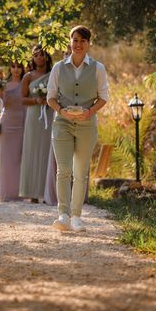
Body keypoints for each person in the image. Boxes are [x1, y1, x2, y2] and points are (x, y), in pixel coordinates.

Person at [46, 25, 109, 232]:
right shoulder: (58, 67)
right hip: (62, 123)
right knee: (63, 171)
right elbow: (51, 98)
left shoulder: (98, 68)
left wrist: (89, 112)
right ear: (69, 42)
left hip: (86, 125)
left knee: (81, 173)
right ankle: (63, 215)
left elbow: (104, 97)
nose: (78, 44)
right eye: (75, 40)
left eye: (82, 41)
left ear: (89, 43)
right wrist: (61, 111)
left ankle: (76, 217)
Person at [19, 45, 54, 203]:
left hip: (50, 114)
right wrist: (36, 100)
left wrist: (49, 100)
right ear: (32, 58)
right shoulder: (28, 76)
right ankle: (32, 192)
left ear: (47, 56)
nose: (39, 58)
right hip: (34, 117)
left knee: (48, 151)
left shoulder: (54, 74)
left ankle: (47, 192)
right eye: (36, 55)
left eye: (42, 55)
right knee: (32, 151)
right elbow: (22, 99)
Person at [0, 62, 27, 202]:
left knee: (19, 158)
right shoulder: (3, 85)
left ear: (23, 68)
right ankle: (6, 193)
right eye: (13, 66)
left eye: (19, 67)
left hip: (22, 122)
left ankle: (19, 193)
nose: (16, 70)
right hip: (7, 123)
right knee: (6, 159)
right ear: (10, 68)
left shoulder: (26, 82)